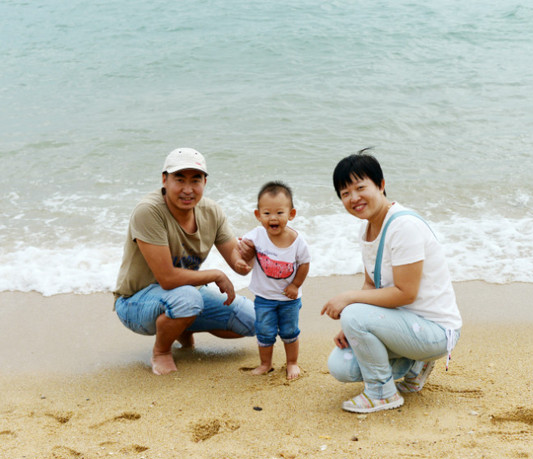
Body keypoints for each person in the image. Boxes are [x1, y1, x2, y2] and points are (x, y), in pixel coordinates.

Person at [321, 150, 462, 413]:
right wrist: (354, 328)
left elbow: (406, 293)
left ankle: (382, 393)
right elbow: (371, 285)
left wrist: (350, 302)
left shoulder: (403, 225)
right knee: (341, 366)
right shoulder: (367, 228)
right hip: (404, 325)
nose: (354, 198)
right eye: (345, 193)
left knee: (353, 313)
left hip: (436, 330)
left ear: (381, 185)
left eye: (360, 187)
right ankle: (416, 366)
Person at [113, 147, 255, 375]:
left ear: (205, 182)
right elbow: (168, 279)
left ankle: (180, 325)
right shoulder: (148, 211)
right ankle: (161, 351)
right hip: (135, 303)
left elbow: (238, 264)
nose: (188, 190)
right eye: (179, 179)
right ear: (164, 180)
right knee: (188, 298)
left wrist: (248, 257)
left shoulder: (212, 211)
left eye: (195, 180)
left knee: (253, 320)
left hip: (184, 296)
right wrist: (216, 275)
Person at [234, 181, 310, 380]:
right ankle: (265, 364)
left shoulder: (297, 241)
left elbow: (304, 264)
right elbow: (243, 248)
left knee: (290, 331)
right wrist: (242, 257)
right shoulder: (257, 235)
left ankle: (292, 362)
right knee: (264, 332)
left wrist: (295, 285)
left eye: (279, 213)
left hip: (289, 299)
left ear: (291, 214)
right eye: (267, 213)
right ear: (258, 215)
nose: (273, 218)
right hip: (264, 297)